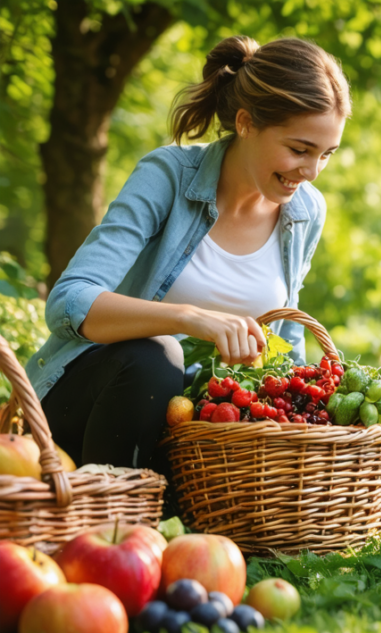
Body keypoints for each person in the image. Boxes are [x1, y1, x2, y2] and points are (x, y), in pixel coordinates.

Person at [24, 36, 351, 472]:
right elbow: (70, 301)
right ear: (246, 122)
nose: (310, 172)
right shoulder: (169, 177)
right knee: (157, 356)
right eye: (299, 149)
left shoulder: (306, 210)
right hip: (86, 412)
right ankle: (113, 516)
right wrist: (187, 318)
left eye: (326, 154)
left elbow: (284, 346)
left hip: (192, 434)